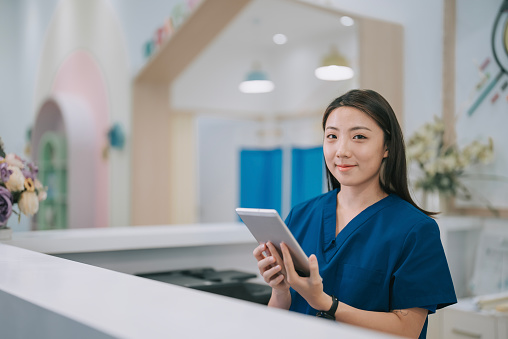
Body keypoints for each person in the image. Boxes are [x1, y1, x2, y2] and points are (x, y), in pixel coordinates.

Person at [253, 89, 456, 339]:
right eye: (332, 136)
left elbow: (408, 330)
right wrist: (280, 290)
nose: (342, 150)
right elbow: (277, 321)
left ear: (387, 147)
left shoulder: (415, 229)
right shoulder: (301, 215)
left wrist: (327, 304)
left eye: (359, 136)